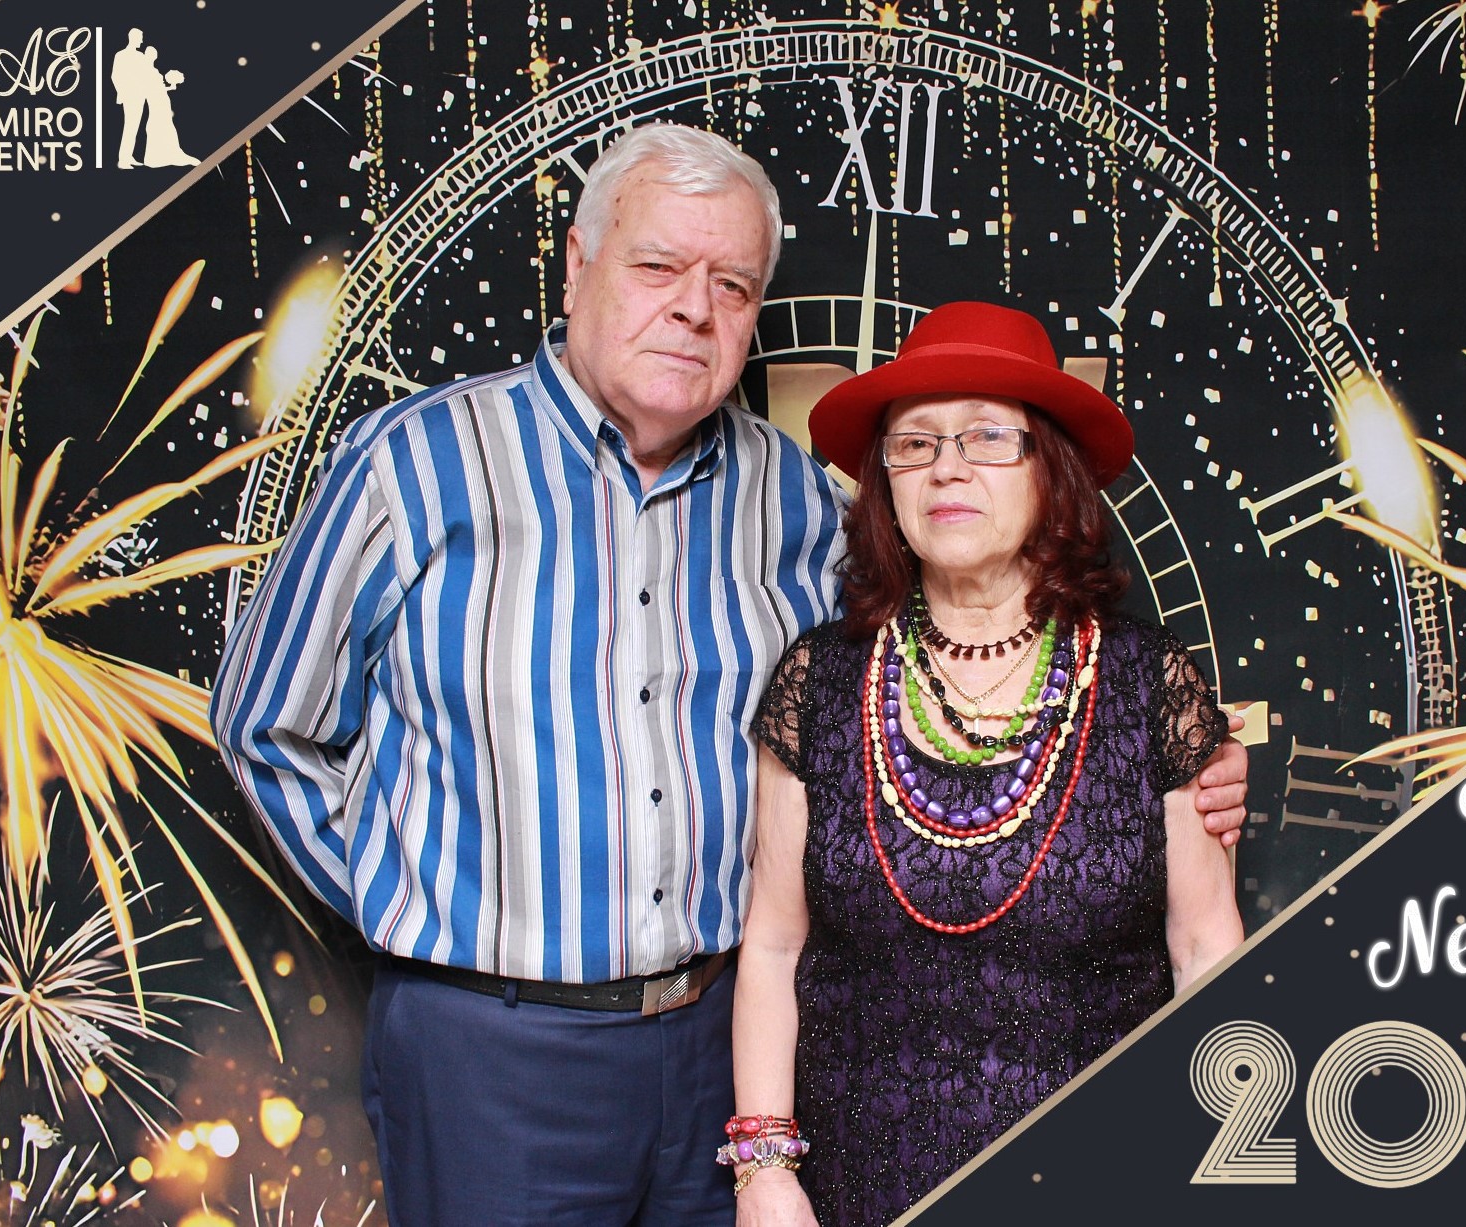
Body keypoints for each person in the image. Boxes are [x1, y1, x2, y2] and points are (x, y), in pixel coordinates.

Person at [211, 125, 1249, 1227]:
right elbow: (264, 723)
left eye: (733, 285)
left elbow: (951, 653)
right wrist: (409, 900)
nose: (694, 310)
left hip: (724, 1039)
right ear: (578, 264)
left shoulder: (798, 499)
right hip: (493, 1050)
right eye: (658, 265)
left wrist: (1177, 764)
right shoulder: (415, 464)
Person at [731, 301, 1246, 1227]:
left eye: (987, 437)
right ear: (885, 484)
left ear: (1052, 469)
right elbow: (772, 944)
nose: (948, 466)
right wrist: (764, 1172)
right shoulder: (820, 680)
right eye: (915, 443)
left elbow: (1205, 949)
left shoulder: (1146, 681)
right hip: (859, 1188)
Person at [139, 47, 199, 167]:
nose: (154, 57)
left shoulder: (154, 70)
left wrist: (171, 86)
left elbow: (158, 88)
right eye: (152, 54)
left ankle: (168, 153)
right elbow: (148, 89)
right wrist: (160, 89)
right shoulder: (145, 71)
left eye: (154, 54)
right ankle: (156, 157)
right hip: (155, 100)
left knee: (166, 124)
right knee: (157, 124)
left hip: (162, 100)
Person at [111, 29, 149, 169]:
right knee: (129, 127)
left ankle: (129, 156)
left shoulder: (141, 56)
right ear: (132, 37)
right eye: (140, 38)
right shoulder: (121, 55)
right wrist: (124, 92)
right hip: (129, 97)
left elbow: (145, 75)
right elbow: (115, 76)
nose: (142, 41)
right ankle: (123, 160)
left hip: (140, 96)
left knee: (134, 127)